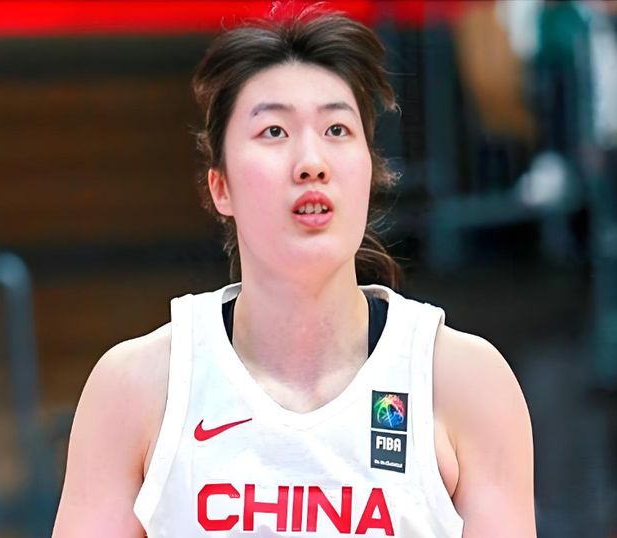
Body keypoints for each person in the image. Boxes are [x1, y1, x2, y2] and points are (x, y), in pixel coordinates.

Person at [52, 6, 536, 537]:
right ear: (221, 187)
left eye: (336, 129)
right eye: (274, 130)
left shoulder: (465, 382)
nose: (311, 161)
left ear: (370, 171)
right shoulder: (136, 387)